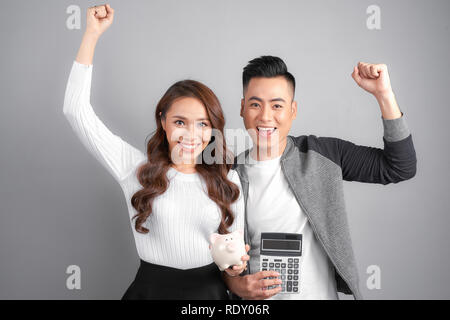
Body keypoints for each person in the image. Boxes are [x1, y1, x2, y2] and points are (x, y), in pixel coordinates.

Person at [62, 4, 248, 300]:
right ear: (163, 122)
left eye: (202, 124)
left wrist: (236, 268)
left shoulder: (229, 179)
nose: (191, 134)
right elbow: (75, 111)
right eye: (179, 122)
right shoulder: (135, 169)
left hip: (209, 295)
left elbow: (232, 258)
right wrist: (91, 35)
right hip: (150, 292)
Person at [222, 56, 417, 300]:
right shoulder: (228, 174)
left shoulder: (323, 154)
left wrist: (384, 94)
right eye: (255, 104)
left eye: (277, 105)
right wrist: (236, 285)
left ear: (293, 110)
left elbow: (400, 166)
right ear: (242, 108)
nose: (265, 116)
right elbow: (211, 251)